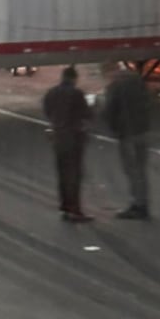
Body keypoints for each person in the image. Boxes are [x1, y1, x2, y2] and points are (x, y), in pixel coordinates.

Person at [43, 65, 94, 222]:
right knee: (74, 174)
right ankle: (75, 209)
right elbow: (87, 114)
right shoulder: (76, 94)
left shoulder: (51, 93)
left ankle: (64, 206)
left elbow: (47, 111)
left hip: (58, 137)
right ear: (74, 78)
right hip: (73, 137)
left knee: (62, 173)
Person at [103, 62, 152, 220]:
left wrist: (113, 128)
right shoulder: (137, 80)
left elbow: (110, 109)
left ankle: (137, 205)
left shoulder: (116, 85)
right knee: (141, 170)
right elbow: (148, 103)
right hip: (141, 131)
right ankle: (143, 203)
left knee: (132, 171)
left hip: (127, 133)